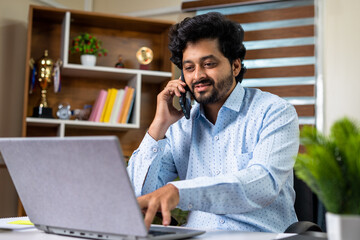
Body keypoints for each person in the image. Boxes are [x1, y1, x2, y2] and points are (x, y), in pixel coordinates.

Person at [127, 12, 299, 232]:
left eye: (208, 64)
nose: (197, 75)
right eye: (189, 68)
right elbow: (139, 195)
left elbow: (263, 184)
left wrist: (180, 192)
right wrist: (158, 126)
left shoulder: (274, 111)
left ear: (235, 66)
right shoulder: (180, 126)